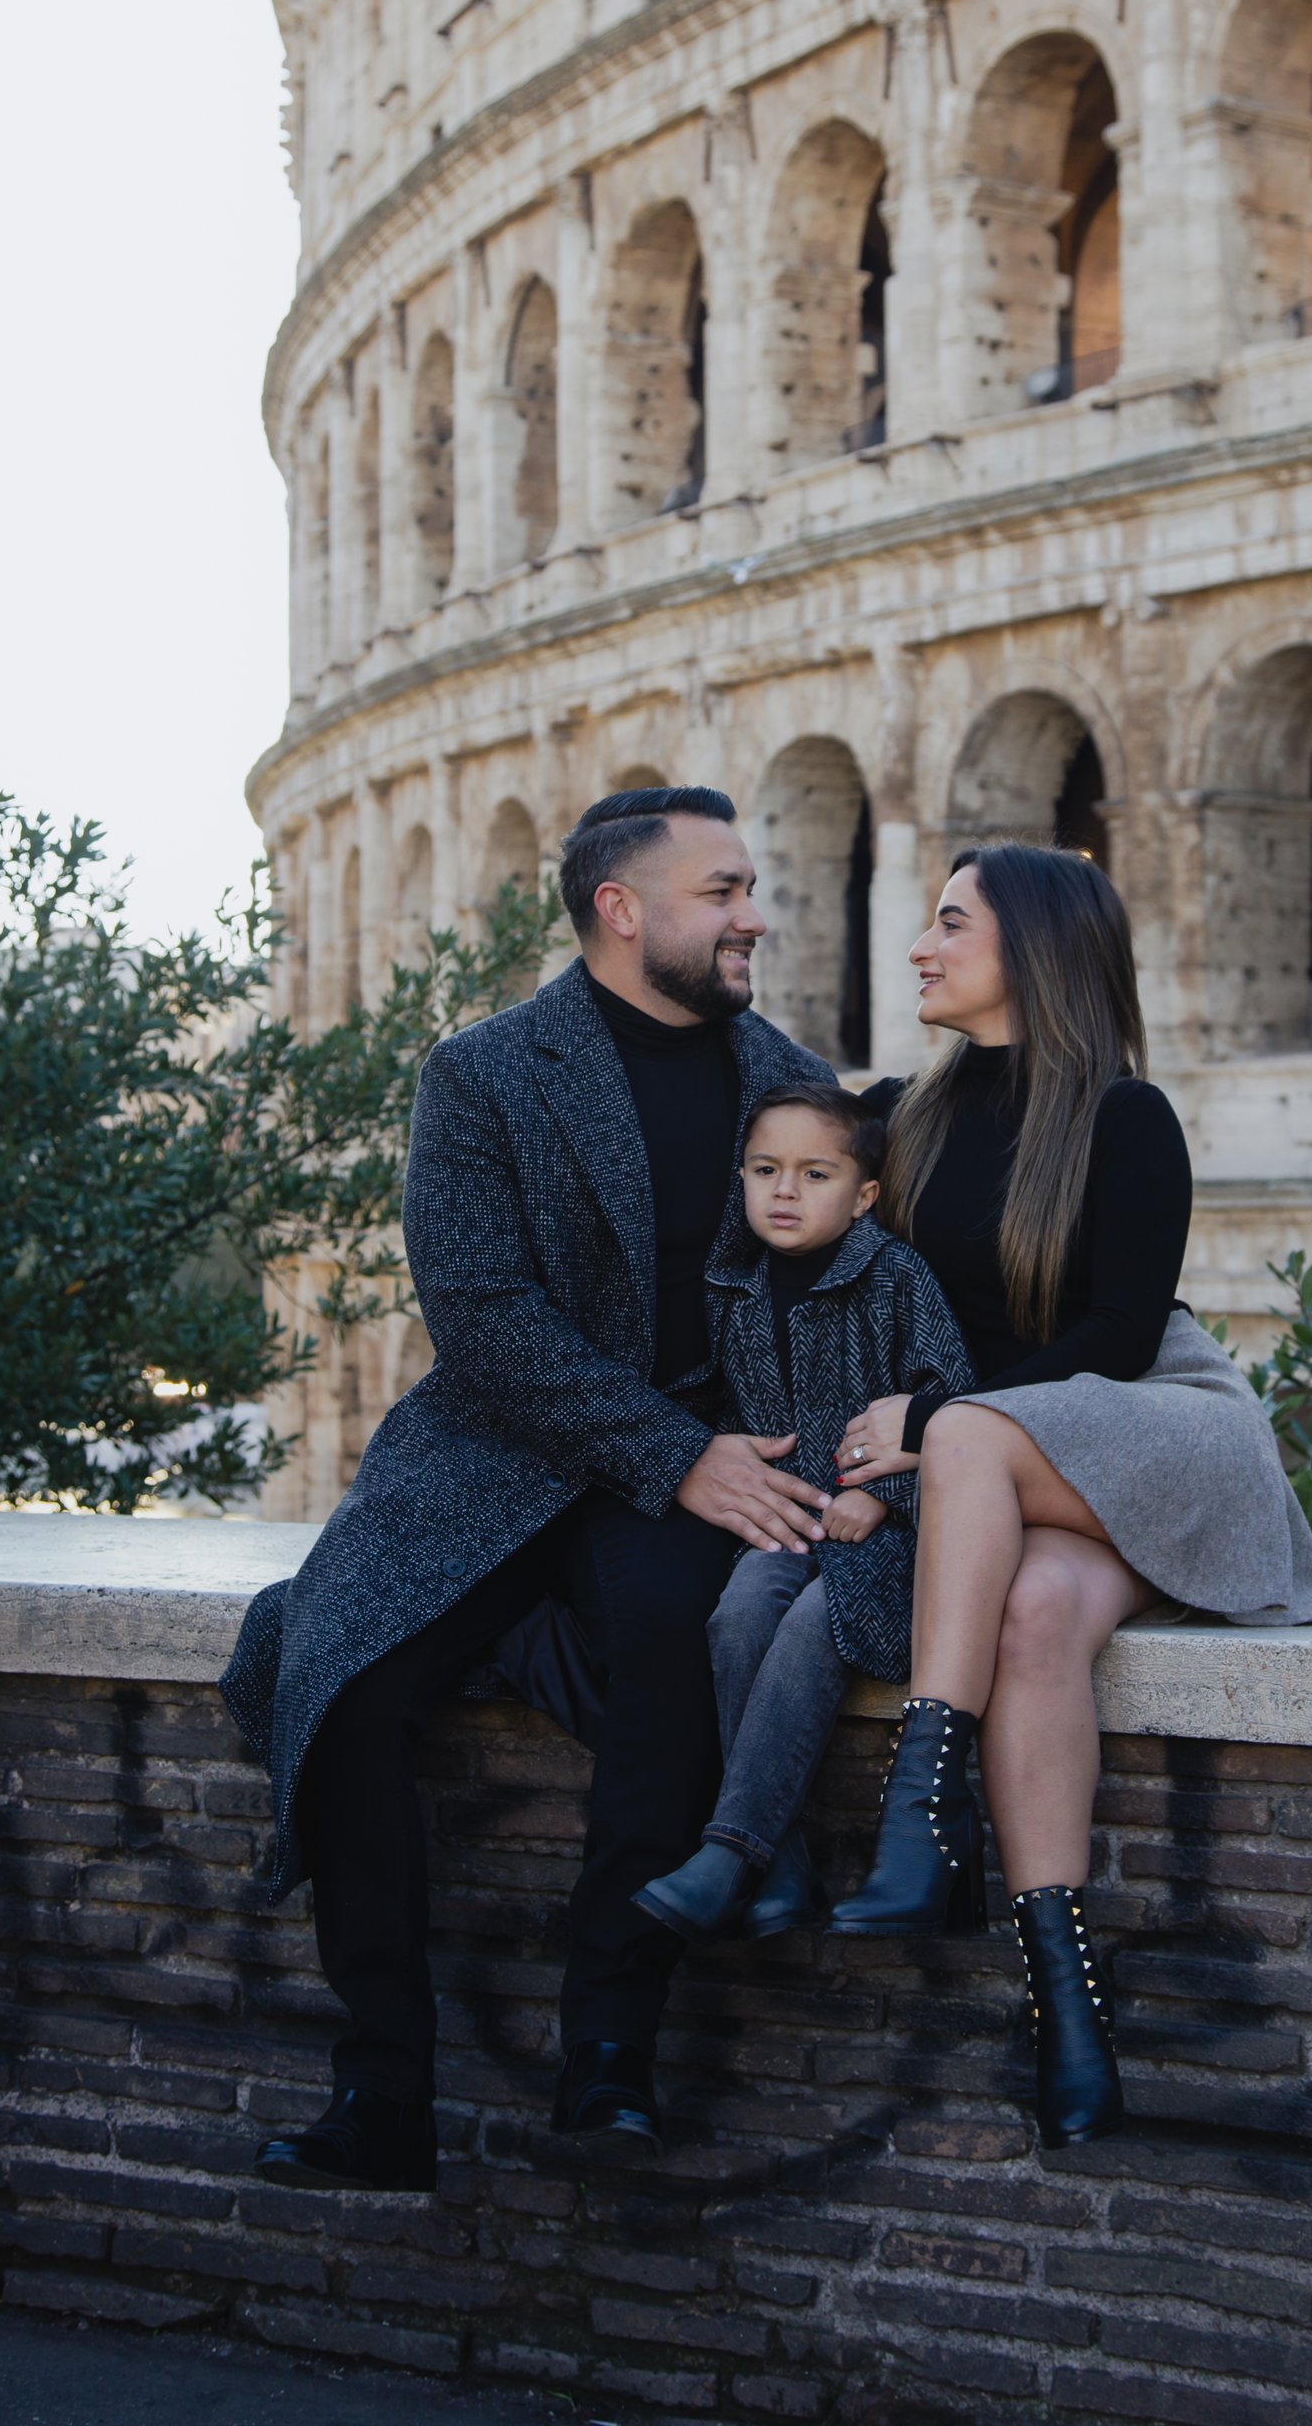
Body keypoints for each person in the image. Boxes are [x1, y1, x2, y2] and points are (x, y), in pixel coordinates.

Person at [219, 786, 838, 2190]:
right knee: (341, 1669)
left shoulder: (791, 1082)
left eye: (749, 889)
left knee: (671, 1661)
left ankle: (609, 2055)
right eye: (723, 892)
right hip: (500, 1448)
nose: (753, 915)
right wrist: (671, 1453)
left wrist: (741, 1453)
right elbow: (484, 1317)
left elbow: (840, 1290)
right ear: (621, 910)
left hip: (701, 1469)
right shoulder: (485, 1072)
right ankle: (382, 2093)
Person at [827, 843, 1312, 2150]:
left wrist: (938, 1424)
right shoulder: (907, 1121)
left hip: (1154, 1428)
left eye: (950, 923)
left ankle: (920, 1819)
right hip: (1010, 1459)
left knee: (966, 1438)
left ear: (1034, 949)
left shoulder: (1126, 1118)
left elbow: (1121, 1334)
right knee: (1033, 1619)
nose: (920, 946)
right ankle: (1066, 2013)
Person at [632, 1083, 971, 1946]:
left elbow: (958, 1410)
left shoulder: (895, 1276)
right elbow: (711, 1404)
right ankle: (781, 1871)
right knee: (739, 1617)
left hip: (891, 1537)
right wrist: (718, 1452)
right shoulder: (732, 1284)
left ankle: (732, 1852)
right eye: (765, 1170)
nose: (785, 1191)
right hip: (788, 1521)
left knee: (815, 1629)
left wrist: (884, 1493)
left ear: (863, 1196)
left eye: (815, 1174)